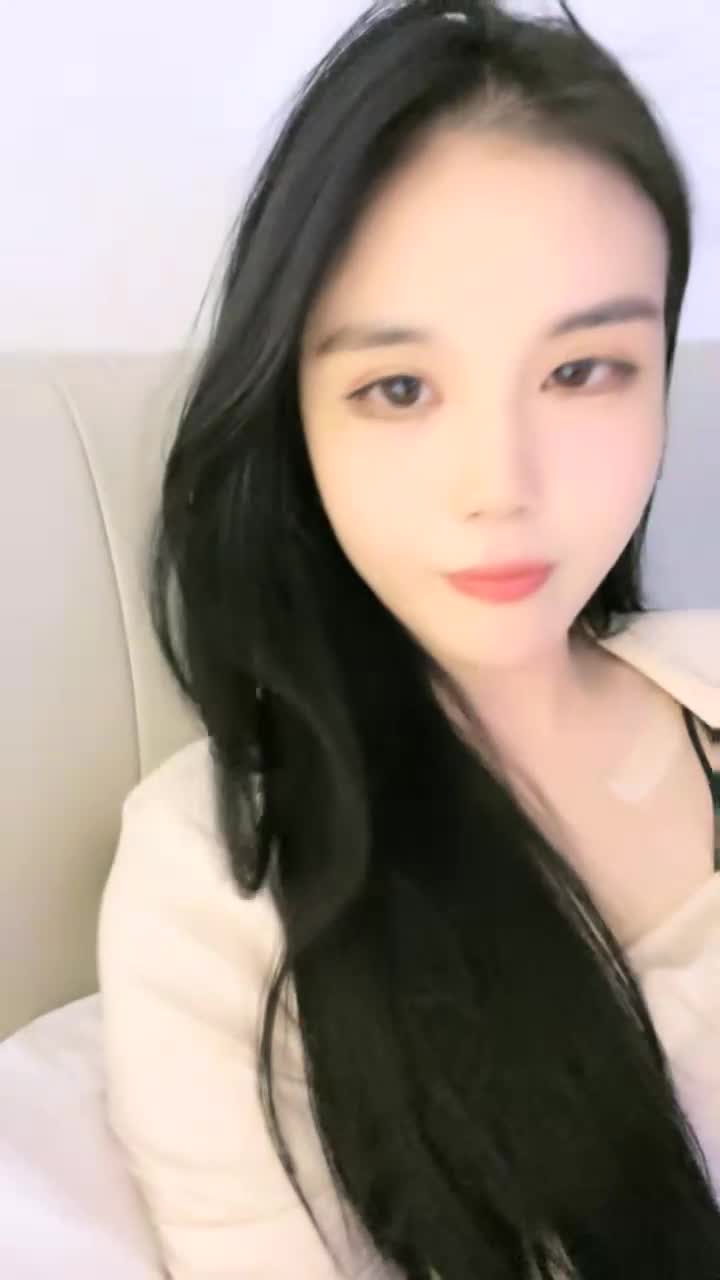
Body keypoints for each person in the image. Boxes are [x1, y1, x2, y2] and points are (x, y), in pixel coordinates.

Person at [97, 1, 720, 1276]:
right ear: (294, 414)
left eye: (583, 371)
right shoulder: (221, 880)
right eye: (398, 388)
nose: (501, 484)